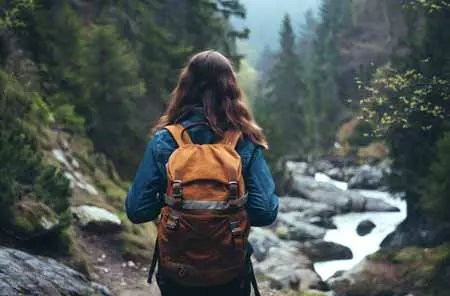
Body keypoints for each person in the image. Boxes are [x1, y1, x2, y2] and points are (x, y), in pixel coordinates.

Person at [125, 50, 279, 296]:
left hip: (177, 273)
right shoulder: (244, 141)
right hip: (229, 272)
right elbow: (265, 213)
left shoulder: (165, 140)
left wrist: (174, 201)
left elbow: (137, 211)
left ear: (185, 87)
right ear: (231, 88)